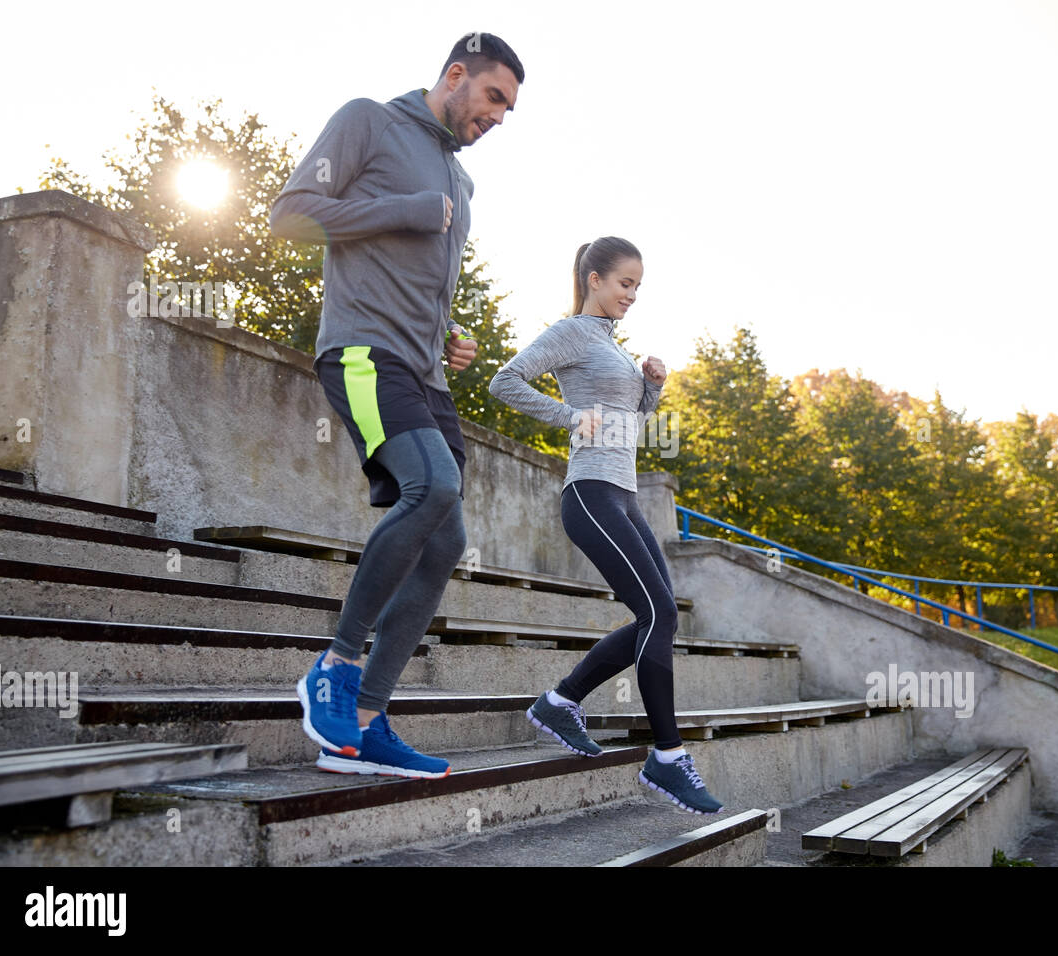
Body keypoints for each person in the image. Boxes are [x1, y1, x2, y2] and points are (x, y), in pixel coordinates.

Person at [269, 33, 524, 778]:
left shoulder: (461, 182)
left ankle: (365, 723)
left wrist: (450, 335)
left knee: (444, 544)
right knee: (433, 486)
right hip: (361, 351)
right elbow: (291, 215)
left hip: (425, 375)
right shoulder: (368, 121)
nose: (498, 116)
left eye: (508, 109)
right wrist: (401, 208)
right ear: (455, 75)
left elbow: (412, 277)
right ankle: (334, 667)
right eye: (493, 97)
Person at [487, 238, 723, 814]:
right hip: (590, 493)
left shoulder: (612, 345)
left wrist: (652, 387)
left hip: (624, 494)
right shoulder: (572, 332)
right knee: (659, 614)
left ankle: (560, 702)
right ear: (594, 279)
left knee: (658, 616)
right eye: (625, 283)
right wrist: (568, 416)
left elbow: (627, 425)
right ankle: (667, 756)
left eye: (638, 286)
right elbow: (504, 381)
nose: (633, 295)